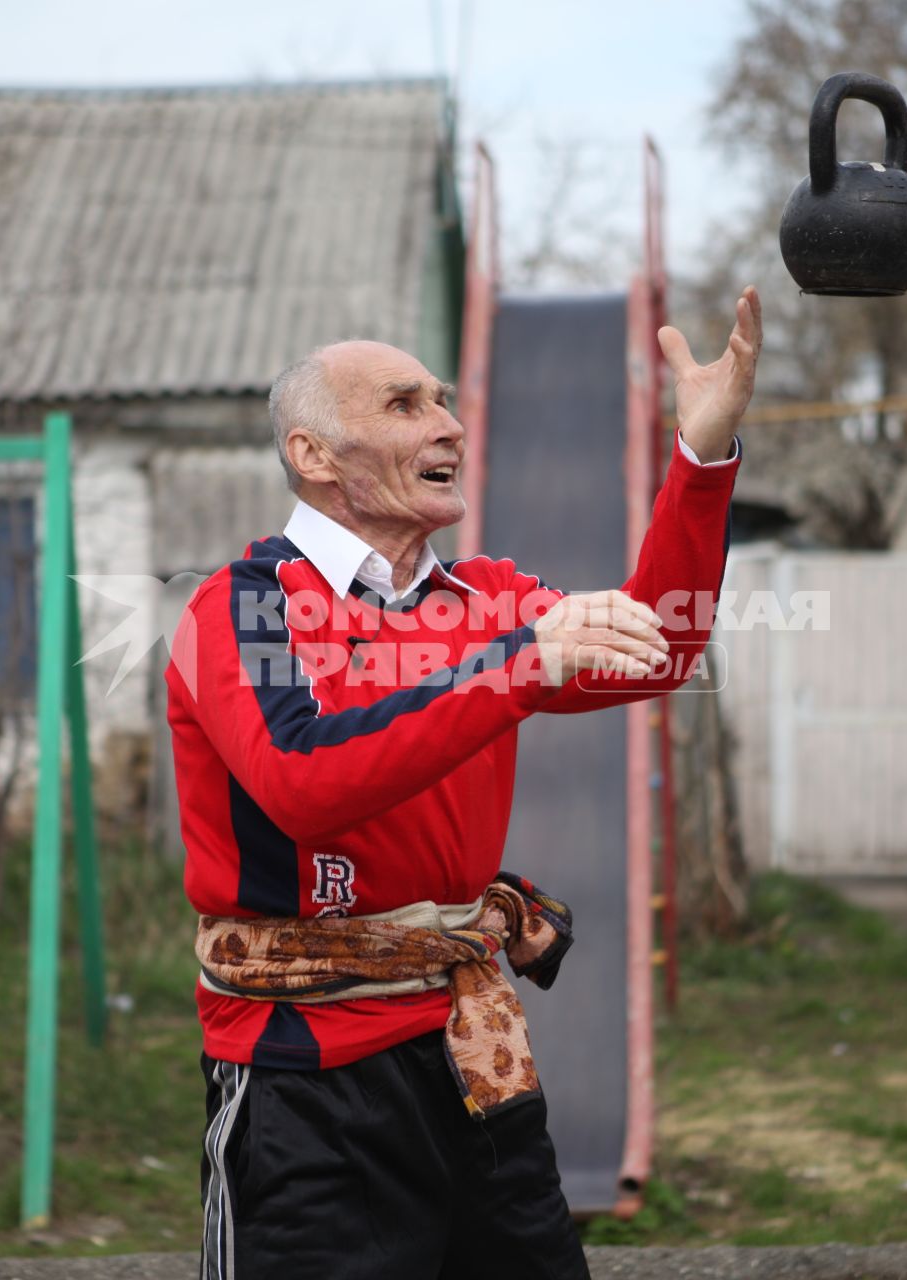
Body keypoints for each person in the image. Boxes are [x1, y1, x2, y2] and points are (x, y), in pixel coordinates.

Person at [167, 287, 763, 1280]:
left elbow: (658, 650)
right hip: (303, 1081)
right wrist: (521, 661)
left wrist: (701, 454)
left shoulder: (487, 600)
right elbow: (306, 775)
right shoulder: (239, 607)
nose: (447, 422)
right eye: (404, 404)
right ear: (313, 454)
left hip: (475, 1058)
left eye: (443, 400)